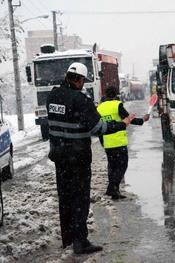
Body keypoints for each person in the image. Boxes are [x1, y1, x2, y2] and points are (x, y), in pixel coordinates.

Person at [46, 62, 135, 255]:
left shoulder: (52, 96)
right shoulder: (80, 100)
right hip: (77, 159)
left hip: (59, 157)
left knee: (65, 198)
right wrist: (122, 124)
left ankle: (67, 238)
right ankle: (80, 242)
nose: (83, 84)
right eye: (83, 81)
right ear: (78, 79)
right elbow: (98, 129)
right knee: (80, 199)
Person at [97, 85, 150, 200]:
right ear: (116, 95)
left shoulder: (99, 108)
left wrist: (102, 142)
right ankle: (113, 188)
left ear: (105, 95)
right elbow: (128, 119)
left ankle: (112, 189)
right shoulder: (117, 105)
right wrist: (142, 120)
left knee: (112, 166)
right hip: (118, 142)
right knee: (122, 166)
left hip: (107, 142)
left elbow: (99, 126)